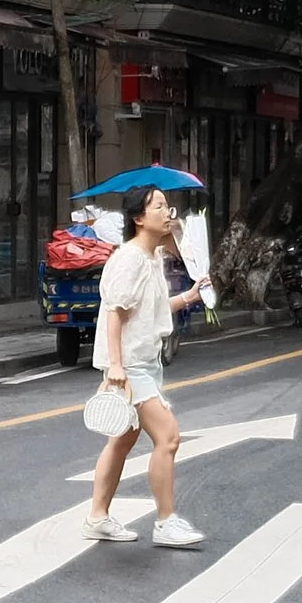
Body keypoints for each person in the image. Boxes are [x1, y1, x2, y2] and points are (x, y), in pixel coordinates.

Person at [85, 185, 209, 548]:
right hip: (131, 367)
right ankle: (166, 520)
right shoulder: (130, 259)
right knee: (168, 438)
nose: (167, 211)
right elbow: (114, 314)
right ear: (139, 218)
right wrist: (117, 368)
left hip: (145, 361)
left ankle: (97, 516)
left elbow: (150, 310)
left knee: (122, 440)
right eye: (158, 206)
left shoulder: (151, 257)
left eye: (168, 206)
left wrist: (188, 296)